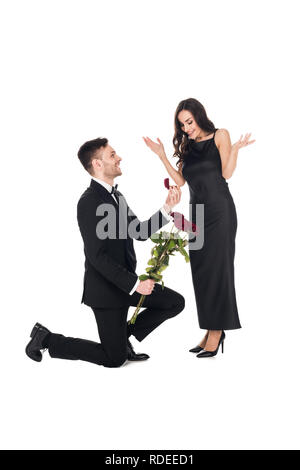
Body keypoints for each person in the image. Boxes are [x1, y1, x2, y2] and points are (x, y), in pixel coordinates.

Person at [25, 137, 185, 368]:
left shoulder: (117, 197)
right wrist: (135, 283)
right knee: (114, 359)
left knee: (174, 303)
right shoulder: (89, 201)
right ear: (97, 164)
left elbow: (138, 231)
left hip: (126, 286)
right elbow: (96, 256)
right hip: (106, 292)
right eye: (112, 155)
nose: (119, 157)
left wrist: (167, 207)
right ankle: (47, 339)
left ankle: (121, 338)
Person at [143, 98, 255, 358]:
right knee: (201, 272)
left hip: (220, 212)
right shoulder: (188, 147)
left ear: (199, 117)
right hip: (197, 216)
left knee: (219, 270)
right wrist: (161, 155)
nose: (186, 128)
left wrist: (235, 149)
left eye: (189, 122)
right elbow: (181, 181)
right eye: (182, 125)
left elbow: (226, 174)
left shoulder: (220, 135)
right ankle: (209, 327)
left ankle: (217, 331)